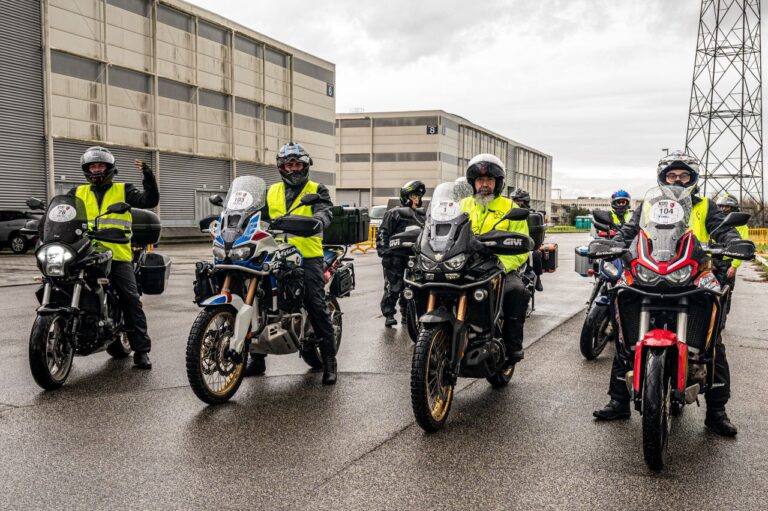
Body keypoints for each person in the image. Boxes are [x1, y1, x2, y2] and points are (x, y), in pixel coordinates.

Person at [593, 151, 741, 436]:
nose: (677, 180)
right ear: (662, 179)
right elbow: (628, 232)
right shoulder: (648, 208)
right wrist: (612, 245)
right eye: (672, 176)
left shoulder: (705, 206)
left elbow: (723, 231)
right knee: (627, 334)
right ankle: (618, 401)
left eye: (683, 175)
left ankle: (717, 412)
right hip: (651, 271)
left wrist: (734, 243)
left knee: (713, 342)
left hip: (692, 273)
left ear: (693, 179)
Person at [73, 147, 159, 369]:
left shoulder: (124, 190)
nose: (96, 169)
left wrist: (148, 176)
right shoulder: (77, 192)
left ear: (109, 168)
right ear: (86, 169)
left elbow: (149, 200)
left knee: (130, 298)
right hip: (85, 252)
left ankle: (141, 350)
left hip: (117, 255)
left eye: (100, 165)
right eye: (92, 166)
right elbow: (62, 212)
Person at [260, 142, 338, 385]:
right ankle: (256, 358)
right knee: (259, 298)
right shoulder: (271, 191)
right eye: (288, 164)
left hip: (307, 256)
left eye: (297, 164)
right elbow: (255, 213)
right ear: (281, 167)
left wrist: (319, 220)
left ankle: (329, 362)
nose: (293, 169)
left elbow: (325, 211)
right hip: (274, 254)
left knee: (315, 303)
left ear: (305, 165)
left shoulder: (317, 189)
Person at [460, 154, 530, 366]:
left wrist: (502, 265)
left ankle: (512, 347)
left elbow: (521, 247)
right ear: (473, 183)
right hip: (464, 263)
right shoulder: (462, 205)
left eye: (489, 180)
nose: (484, 185)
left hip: (499, 266)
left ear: (497, 183)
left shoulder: (510, 208)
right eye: (480, 181)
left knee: (517, 291)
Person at [376, 180, 426, 327]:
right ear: (406, 197)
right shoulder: (394, 213)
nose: (416, 199)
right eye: (413, 196)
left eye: (418, 196)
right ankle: (389, 314)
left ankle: (407, 314)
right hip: (395, 257)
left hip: (415, 257)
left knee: (411, 286)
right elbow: (383, 233)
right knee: (393, 287)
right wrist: (384, 253)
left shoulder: (422, 215)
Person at [511, 188, 544, 292]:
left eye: (518, 201)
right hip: (510, 243)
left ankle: (538, 278)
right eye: (514, 200)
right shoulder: (507, 213)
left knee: (537, 253)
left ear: (525, 202)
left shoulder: (531, 215)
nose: (516, 203)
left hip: (527, 246)